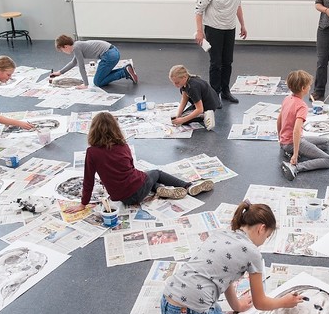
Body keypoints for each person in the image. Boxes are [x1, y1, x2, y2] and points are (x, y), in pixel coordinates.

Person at [146, 201, 304, 314]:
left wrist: (237, 306)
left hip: (167, 302)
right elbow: (261, 303)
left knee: (216, 308)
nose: (264, 241)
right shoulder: (253, 253)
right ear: (261, 228)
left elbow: (225, 279)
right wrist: (284, 302)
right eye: (268, 236)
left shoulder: (221, 234)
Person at [69, 112, 214, 211]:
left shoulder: (92, 152)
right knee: (155, 172)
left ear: (93, 130)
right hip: (137, 190)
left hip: (122, 198)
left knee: (144, 177)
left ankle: (158, 189)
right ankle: (188, 186)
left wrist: (83, 204)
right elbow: (130, 169)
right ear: (115, 129)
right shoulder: (123, 146)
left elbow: (88, 180)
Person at [194, 0, 247, 103]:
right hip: (213, 28)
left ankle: (225, 91)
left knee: (227, 61)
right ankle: (214, 94)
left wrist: (243, 24)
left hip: (230, 27)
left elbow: (238, 4)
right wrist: (200, 31)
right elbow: (198, 11)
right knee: (216, 63)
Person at [277, 70, 329, 181]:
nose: (310, 87)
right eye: (309, 86)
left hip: (285, 141)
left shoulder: (287, 99)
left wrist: (280, 138)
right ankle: (295, 167)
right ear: (303, 88)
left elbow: (279, 120)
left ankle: (291, 151)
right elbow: (296, 131)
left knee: (326, 142)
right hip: (293, 142)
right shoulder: (302, 106)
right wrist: (295, 153)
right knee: (328, 160)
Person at [50, 34, 138, 89]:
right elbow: (74, 62)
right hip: (114, 52)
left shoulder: (76, 48)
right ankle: (126, 70)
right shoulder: (76, 45)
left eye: (62, 50)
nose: (63, 52)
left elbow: (81, 67)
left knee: (98, 82)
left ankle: (123, 72)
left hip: (109, 56)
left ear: (65, 46)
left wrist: (86, 84)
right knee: (101, 76)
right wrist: (60, 72)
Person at [168, 65, 220, 131]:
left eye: (177, 83)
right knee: (180, 118)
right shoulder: (185, 83)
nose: (175, 85)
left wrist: (182, 120)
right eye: (173, 83)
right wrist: (178, 115)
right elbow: (184, 99)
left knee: (183, 121)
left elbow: (199, 109)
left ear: (184, 77)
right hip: (204, 101)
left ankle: (206, 114)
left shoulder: (192, 88)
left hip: (208, 105)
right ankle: (201, 114)